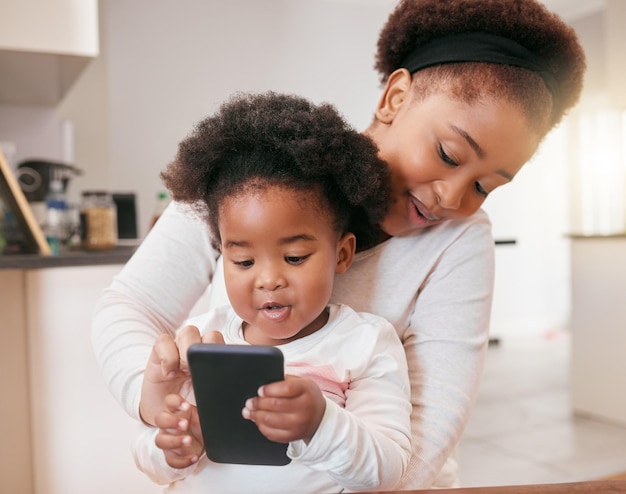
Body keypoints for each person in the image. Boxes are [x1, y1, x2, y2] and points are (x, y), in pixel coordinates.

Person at [91, 0, 586, 488]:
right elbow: (129, 307)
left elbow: (430, 426)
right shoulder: (250, 179)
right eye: (448, 153)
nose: (451, 197)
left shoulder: (458, 239)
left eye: (486, 186)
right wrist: (154, 403)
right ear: (395, 96)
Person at [131, 91, 412, 493]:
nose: (268, 280)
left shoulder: (365, 343)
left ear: (343, 253)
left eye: (295, 257)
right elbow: (149, 457)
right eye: (244, 262)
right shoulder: (201, 342)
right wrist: (171, 447)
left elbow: (387, 470)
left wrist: (321, 423)